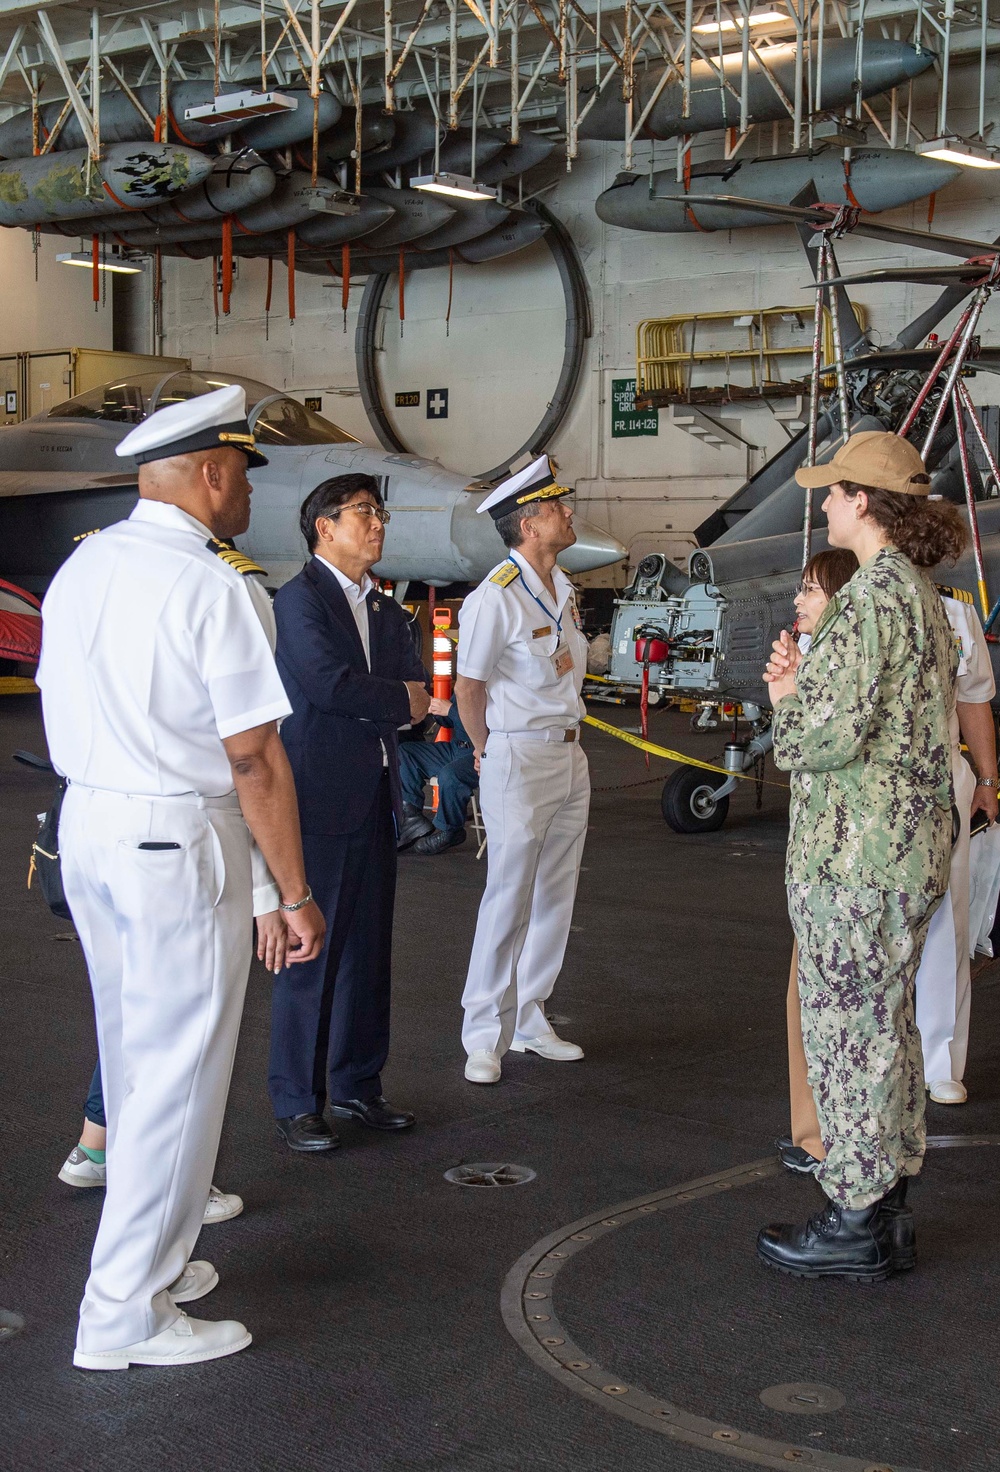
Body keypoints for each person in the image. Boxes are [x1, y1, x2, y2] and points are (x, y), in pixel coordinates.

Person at [38, 384, 325, 1370]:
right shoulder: (212, 584)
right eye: (244, 471)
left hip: (92, 824)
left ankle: (154, 1262)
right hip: (175, 836)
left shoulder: (83, 568)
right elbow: (252, 758)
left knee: (132, 1060)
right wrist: (290, 890)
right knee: (173, 1082)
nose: (247, 491)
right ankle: (123, 1312)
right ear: (210, 473)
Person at [757, 430, 967, 1282]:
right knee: (887, 1029)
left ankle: (852, 1215)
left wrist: (785, 699)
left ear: (864, 503)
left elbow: (824, 735)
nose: (824, 504)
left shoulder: (872, 598)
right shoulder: (919, 592)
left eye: (833, 491)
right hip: (903, 850)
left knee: (847, 1032)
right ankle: (885, 1213)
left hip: (856, 859)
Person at [268, 473, 431, 1151]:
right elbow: (333, 686)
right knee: (313, 949)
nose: (378, 524)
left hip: (375, 794)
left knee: (369, 949)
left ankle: (359, 1085)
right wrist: (398, 699)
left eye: (380, 513)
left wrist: (395, 697)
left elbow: (411, 687)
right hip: (318, 796)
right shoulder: (299, 599)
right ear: (324, 527)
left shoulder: (389, 611)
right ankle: (298, 1099)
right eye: (364, 513)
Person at [455, 454, 590, 1085]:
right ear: (529, 523)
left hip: (569, 753)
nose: (569, 513)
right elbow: (469, 688)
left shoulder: (562, 587)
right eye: (558, 506)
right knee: (507, 894)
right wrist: (486, 751)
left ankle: (530, 1017)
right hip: (517, 754)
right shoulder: (495, 599)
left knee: (554, 895)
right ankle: (484, 1032)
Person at [58, 878, 293, 1223]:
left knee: (135, 1014)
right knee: (178, 1029)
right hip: (174, 871)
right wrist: (273, 897)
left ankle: (96, 1148)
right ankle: (173, 1191)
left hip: (113, 867)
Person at [772, 550, 859, 1176]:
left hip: (841, 866)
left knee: (831, 1007)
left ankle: (832, 1144)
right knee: (807, 998)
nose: (799, 601)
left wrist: (786, 696)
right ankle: (815, 1133)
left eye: (811, 590)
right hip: (823, 859)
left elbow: (802, 747)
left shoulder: (844, 661)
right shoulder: (826, 657)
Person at [398, 696, 478, 855]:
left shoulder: (496, 688)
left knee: (450, 775)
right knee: (406, 752)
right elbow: (448, 722)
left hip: (481, 750)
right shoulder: (464, 684)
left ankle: (451, 829)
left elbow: (487, 724)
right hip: (457, 747)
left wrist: (450, 710)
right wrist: (434, 709)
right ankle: (410, 815)